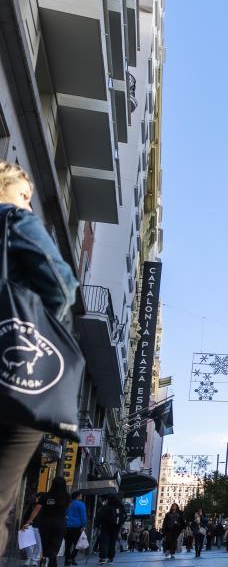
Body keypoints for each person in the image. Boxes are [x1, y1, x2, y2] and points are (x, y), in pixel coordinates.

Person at [0, 163, 80, 565]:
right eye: (26, 194)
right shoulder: (13, 217)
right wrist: (38, 332)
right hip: (14, 378)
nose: (29, 203)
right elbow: (62, 284)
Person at [23, 476, 69, 567]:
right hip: (59, 523)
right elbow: (67, 509)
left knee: (45, 545)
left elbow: (37, 508)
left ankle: (46, 559)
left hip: (45, 523)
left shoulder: (45, 496)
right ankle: (50, 560)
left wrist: (30, 521)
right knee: (55, 545)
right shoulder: (66, 496)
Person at [96, 496, 124, 565]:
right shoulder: (120, 508)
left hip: (105, 527)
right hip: (115, 528)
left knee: (104, 542)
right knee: (112, 542)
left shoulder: (106, 507)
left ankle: (102, 558)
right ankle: (110, 558)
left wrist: (97, 525)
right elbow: (124, 517)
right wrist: (120, 525)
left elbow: (100, 516)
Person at [64, 490, 86, 566]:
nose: (81, 496)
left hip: (67, 526)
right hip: (77, 526)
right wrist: (83, 525)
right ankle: (71, 558)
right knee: (78, 544)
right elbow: (83, 516)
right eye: (81, 495)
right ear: (78, 496)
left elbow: (64, 513)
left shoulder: (68, 503)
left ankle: (67, 560)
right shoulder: (81, 504)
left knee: (68, 544)